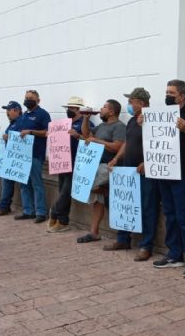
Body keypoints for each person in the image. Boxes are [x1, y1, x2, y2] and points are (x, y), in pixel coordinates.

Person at [152, 79, 185, 279]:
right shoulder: (162, 113)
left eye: (172, 93)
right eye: (166, 92)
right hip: (163, 171)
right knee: (170, 214)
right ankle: (174, 254)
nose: (168, 96)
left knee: (184, 217)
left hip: (182, 173)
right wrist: (144, 122)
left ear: (182, 96)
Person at [105, 88, 160, 261]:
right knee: (125, 204)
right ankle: (123, 239)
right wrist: (116, 158)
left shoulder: (155, 119)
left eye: (131, 101)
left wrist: (148, 162)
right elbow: (127, 142)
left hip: (145, 172)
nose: (129, 104)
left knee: (147, 207)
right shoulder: (131, 121)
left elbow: (160, 143)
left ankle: (146, 245)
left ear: (141, 103)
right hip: (128, 170)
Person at [76, 99, 126, 243]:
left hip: (108, 167)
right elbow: (86, 135)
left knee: (96, 191)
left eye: (104, 107)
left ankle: (107, 191)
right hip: (96, 167)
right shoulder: (101, 126)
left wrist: (98, 142)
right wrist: (86, 118)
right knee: (97, 200)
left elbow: (118, 147)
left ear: (111, 111)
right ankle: (94, 232)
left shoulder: (119, 127)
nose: (101, 109)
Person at [46, 96, 94, 233]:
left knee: (65, 193)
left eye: (72, 108)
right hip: (62, 162)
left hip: (76, 163)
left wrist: (77, 136)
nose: (69, 110)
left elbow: (90, 140)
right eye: (68, 108)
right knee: (62, 191)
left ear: (79, 110)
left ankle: (54, 211)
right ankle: (62, 221)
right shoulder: (63, 123)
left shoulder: (86, 124)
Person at [13, 89, 51, 223]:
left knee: (36, 183)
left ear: (38, 100)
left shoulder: (42, 114)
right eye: (26, 97)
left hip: (35, 154)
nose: (28, 100)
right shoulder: (23, 115)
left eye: (31, 98)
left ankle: (40, 212)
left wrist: (31, 132)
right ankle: (28, 211)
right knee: (23, 183)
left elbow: (47, 132)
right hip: (21, 155)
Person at [0, 100, 23, 216]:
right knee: (6, 182)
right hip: (9, 157)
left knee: (8, 183)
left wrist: (10, 137)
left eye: (9, 110)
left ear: (17, 110)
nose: (7, 113)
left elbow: (22, 139)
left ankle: (4, 206)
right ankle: (4, 205)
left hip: (16, 159)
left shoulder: (20, 122)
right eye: (6, 110)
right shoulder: (12, 123)